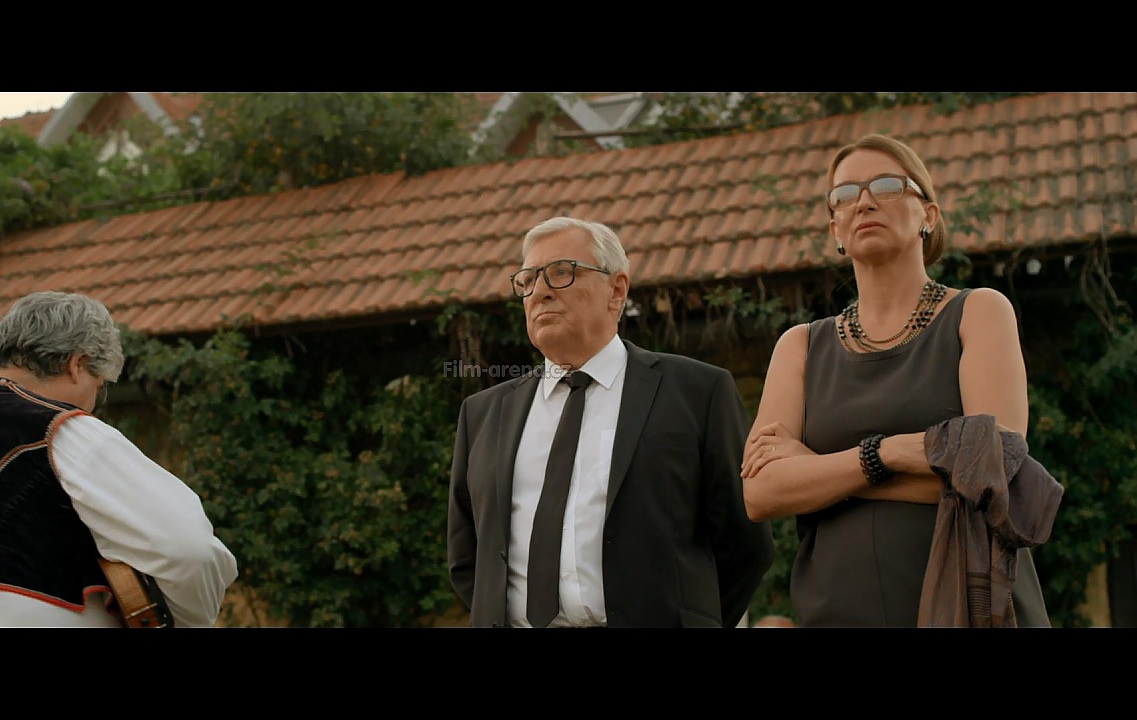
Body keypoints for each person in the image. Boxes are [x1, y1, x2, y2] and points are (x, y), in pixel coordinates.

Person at [740, 133, 1052, 627]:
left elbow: (995, 472)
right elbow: (761, 493)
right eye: (845, 194)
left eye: (886, 185)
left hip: (967, 608)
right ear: (835, 229)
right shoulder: (800, 345)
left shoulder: (979, 312)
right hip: (837, 613)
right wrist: (892, 455)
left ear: (928, 214)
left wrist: (821, 471)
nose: (863, 201)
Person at [447, 216, 775, 628]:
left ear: (616, 289)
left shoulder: (697, 392)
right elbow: (467, 557)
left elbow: (745, 545)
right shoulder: (483, 414)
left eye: (561, 272)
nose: (540, 291)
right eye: (527, 280)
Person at [0, 290, 238, 627]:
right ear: (77, 364)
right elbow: (188, 550)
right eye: (99, 386)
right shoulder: (59, 430)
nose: (93, 405)